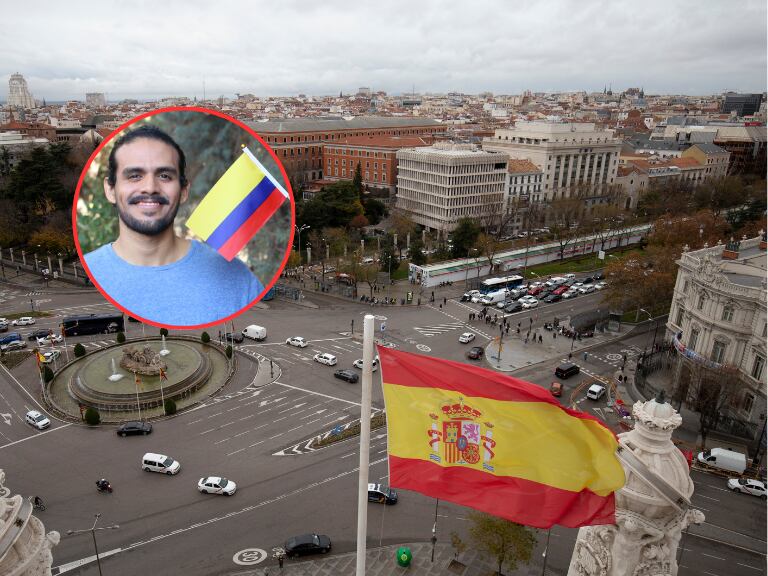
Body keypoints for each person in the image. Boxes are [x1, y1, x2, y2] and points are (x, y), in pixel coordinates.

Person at [83, 125, 264, 326]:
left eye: (164, 176)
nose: (150, 188)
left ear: (183, 191)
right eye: (134, 175)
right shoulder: (91, 267)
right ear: (110, 189)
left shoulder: (239, 278)